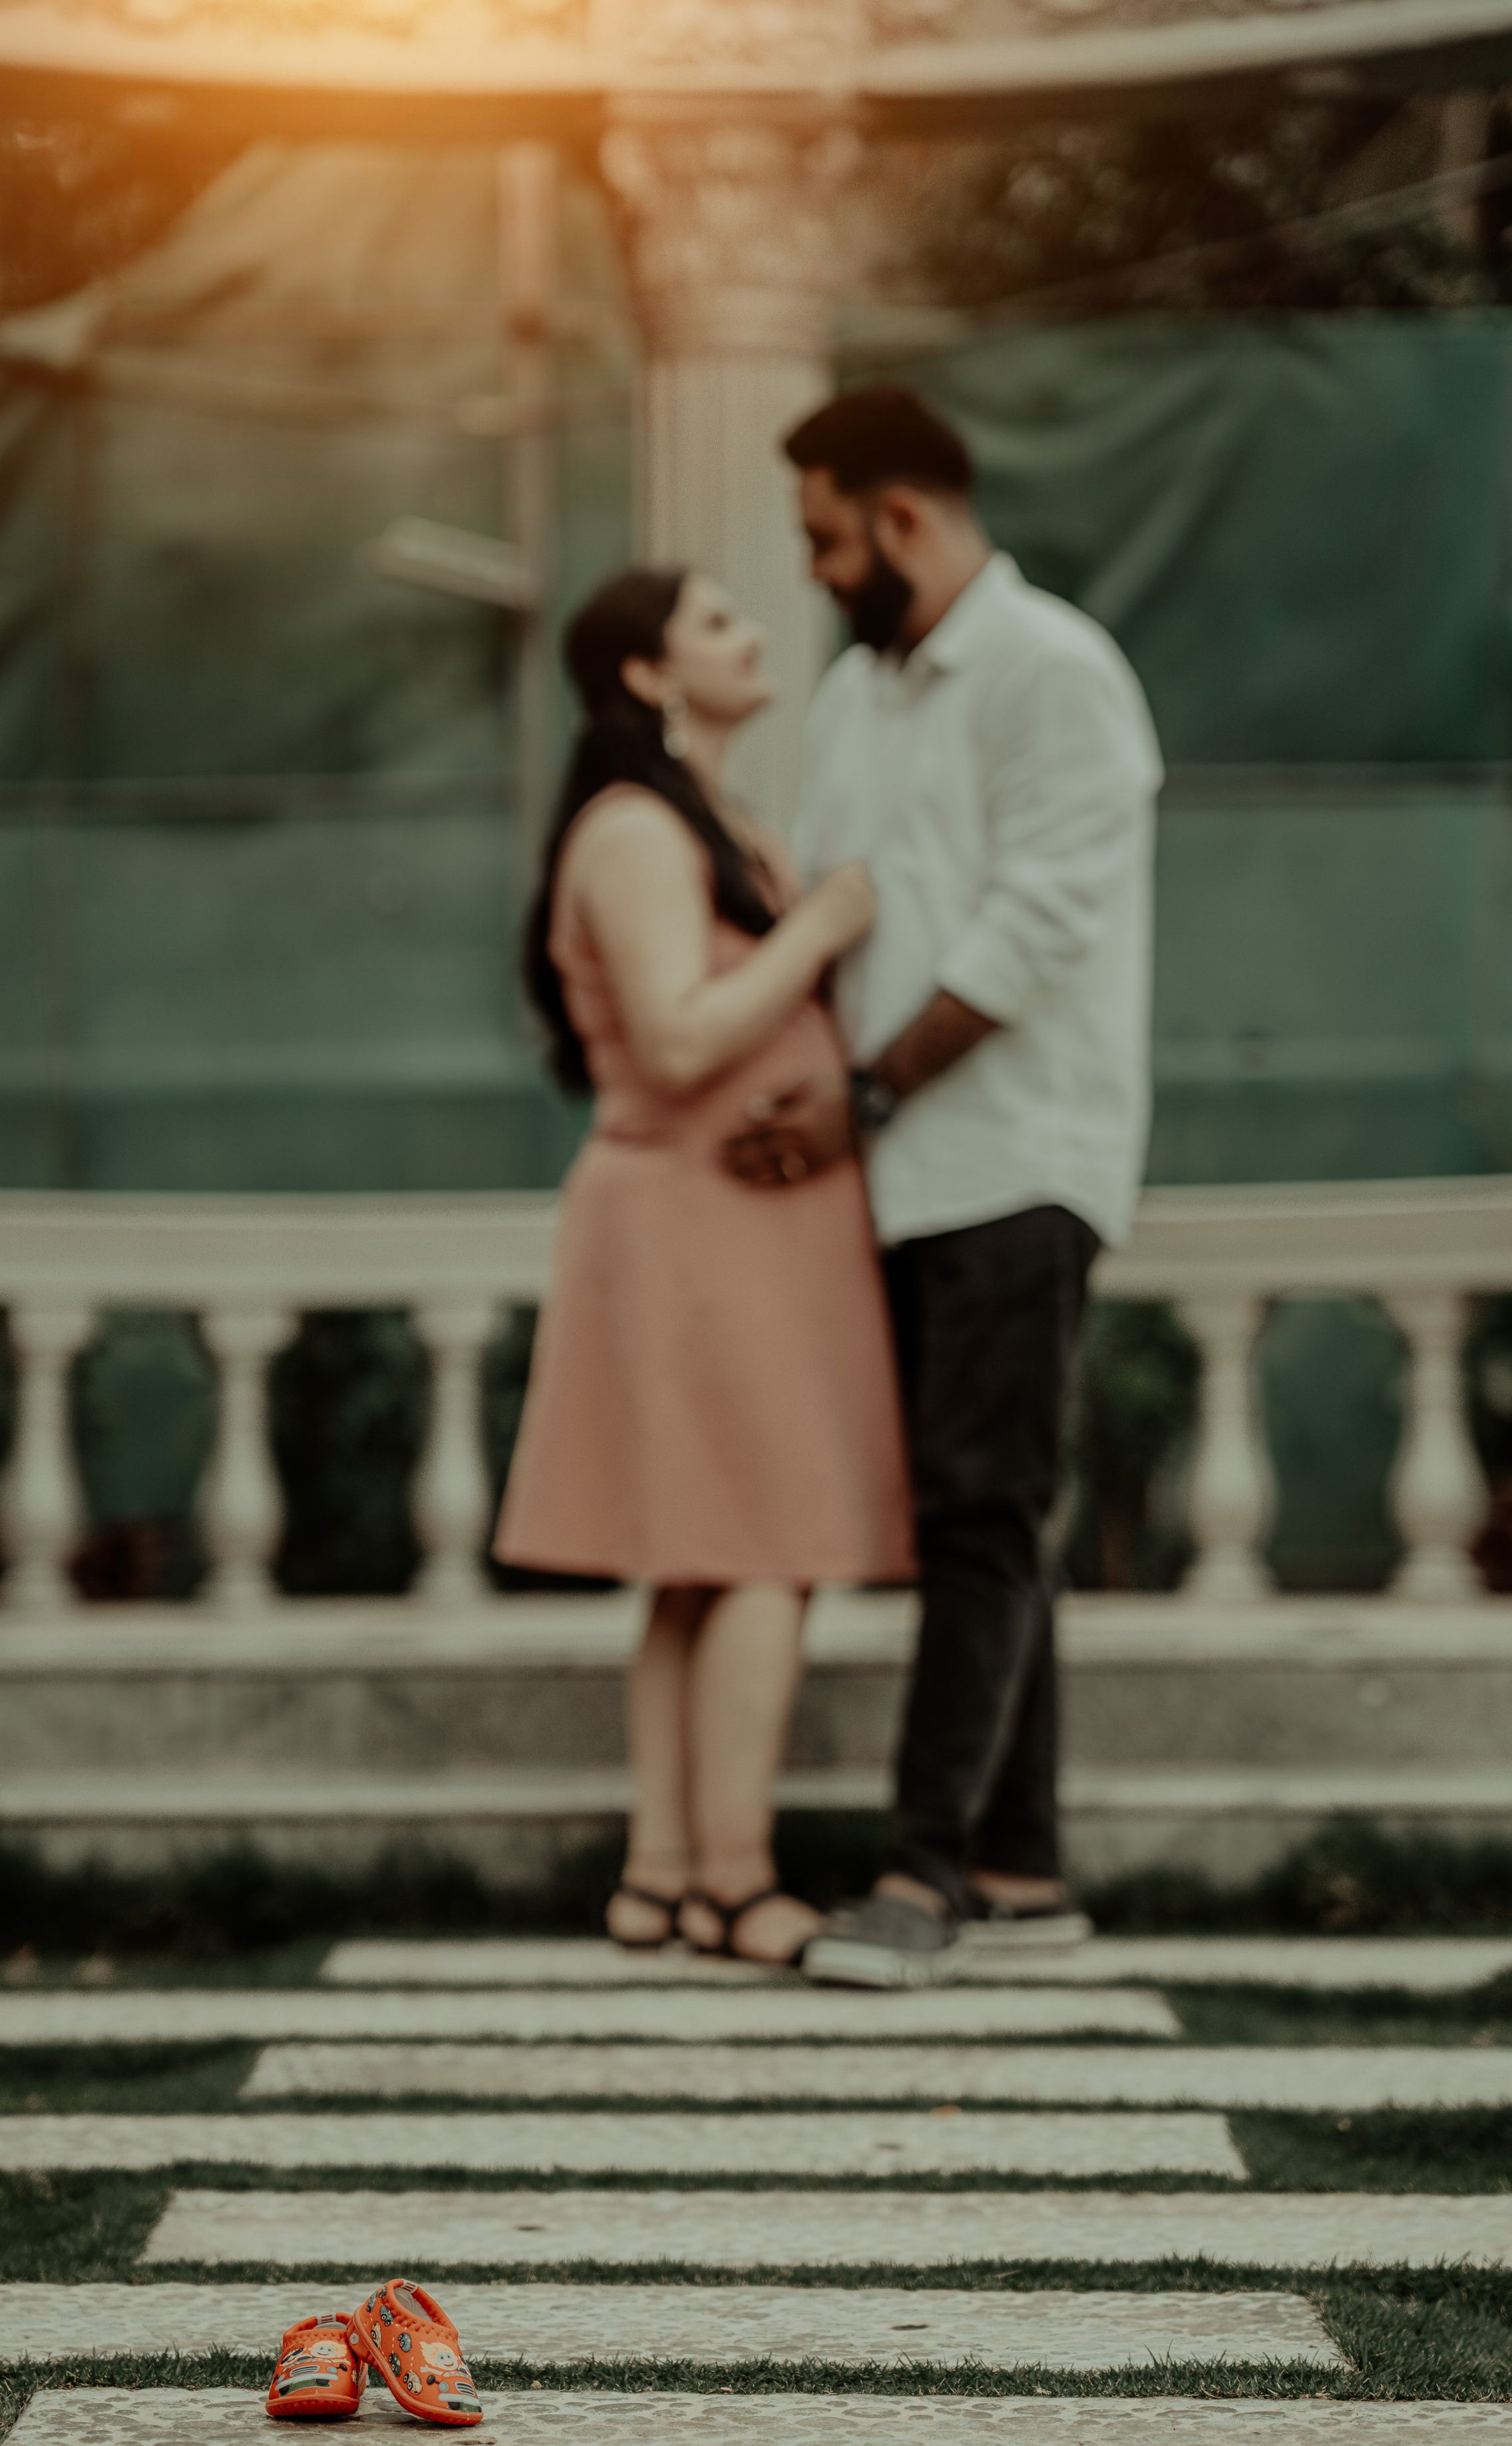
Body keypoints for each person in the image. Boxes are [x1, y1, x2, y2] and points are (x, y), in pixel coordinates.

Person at [723, 385, 1163, 1990]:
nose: (817, 570)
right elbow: (837, 909)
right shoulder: (854, 696)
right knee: (984, 1508)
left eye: (825, 538)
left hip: (1016, 1157)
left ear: (901, 518)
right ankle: (1020, 1861)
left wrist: (866, 1093)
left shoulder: (1057, 673)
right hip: (895, 1169)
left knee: (977, 1511)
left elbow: (1032, 931)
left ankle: (919, 1879)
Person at [494, 564, 914, 1970]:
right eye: (717, 623)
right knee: (759, 1546)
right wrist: (822, 926)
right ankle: (734, 1881)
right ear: (647, 676)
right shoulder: (629, 829)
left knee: (701, 1560)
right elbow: (674, 1043)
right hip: (694, 1220)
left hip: (737, 1224)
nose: (752, 636)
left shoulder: (705, 820)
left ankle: (661, 1877)